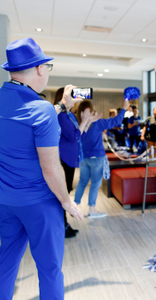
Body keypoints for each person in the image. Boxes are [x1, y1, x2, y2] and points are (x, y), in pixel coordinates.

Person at [0, 37, 84, 300]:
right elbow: (51, 168)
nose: (49, 72)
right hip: (39, 203)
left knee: (7, 261)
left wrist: (60, 107)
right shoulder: (39, 110)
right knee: (50, 268)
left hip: (3, 199)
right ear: (39, 69)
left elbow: (21, 122)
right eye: (48, 67)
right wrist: (67, 202)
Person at [74, 100, 126, 218]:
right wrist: (124, 108)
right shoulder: (98, 123)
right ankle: (92, 210)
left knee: (82, 182)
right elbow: (116, 121)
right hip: (97, 157)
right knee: (95, 184)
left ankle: (75, 207)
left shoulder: (78, 124)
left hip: (84, 158)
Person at [56, 87, 91, 238]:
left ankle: (63, 224)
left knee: (66, 191)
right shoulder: (62, 116)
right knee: (63, 193)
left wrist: (87, 122)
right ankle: (61, 226)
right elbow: (73, 136)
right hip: (65, 159)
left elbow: (79, 136)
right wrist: (83, 121)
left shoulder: (69, 115)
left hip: (70, 158)